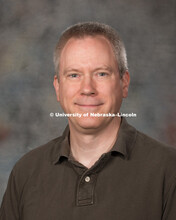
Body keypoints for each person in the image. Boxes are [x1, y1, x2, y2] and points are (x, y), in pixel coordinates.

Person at [0, 22, 176, 220]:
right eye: (74, 75)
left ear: (124, 83)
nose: (87, 88)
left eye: (101, 73)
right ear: (58, 88)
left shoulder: (169, 169)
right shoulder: (26, 172)